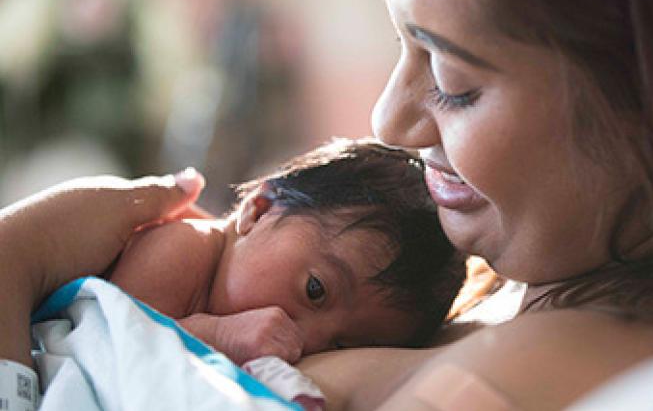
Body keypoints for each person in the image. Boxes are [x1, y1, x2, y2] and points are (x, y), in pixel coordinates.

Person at [0, 0, 653, 410]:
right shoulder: (527, 282)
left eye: (455, 81)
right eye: (403, 46)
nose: (391, 116)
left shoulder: (539, 374)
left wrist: (21, 251)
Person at [105, 138, 465, 365]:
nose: (306, 342)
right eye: (315, 290)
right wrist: (221, 336)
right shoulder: (180, 248)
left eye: (340, 347)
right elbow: (112, 346)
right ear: (258, 211)